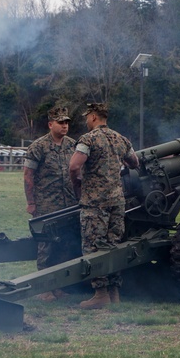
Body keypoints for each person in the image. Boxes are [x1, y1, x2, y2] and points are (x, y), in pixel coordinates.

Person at [68, 102, 139, 309]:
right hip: (117, 201)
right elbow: (134, 162)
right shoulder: (121, 139)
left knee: (93, 246)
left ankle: (100, 294)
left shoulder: (88, 139)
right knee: (114, 246)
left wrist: (78, 185)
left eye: (86, 117)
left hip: (95, 203)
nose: (86, 120)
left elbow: (74, 166)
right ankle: (114, 293)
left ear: (93, 117)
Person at [23, 104, 80, 301]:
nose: (64, 126)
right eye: (60, 122)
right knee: (46, 248)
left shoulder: (72, 145)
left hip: (69, 205)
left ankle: (58, 287)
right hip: (46, 206)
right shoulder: (38, 147)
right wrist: (31, 203)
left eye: (67, 123)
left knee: (65, 246)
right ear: (50, 124)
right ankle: (43, 288)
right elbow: (28, 176)